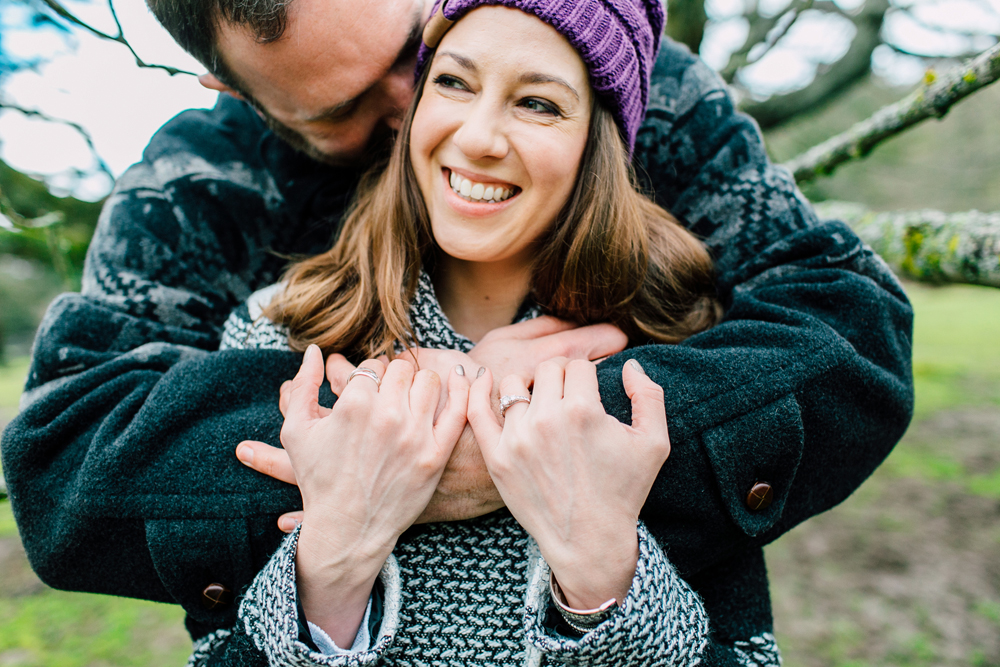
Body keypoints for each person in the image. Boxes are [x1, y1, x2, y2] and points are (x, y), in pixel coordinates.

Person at [0, 0, 913, 653]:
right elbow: (66, 460)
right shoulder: (198, 187)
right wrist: (385, 448)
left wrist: (559, 427)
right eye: (343, 108)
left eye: (415, 50)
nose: (422, 114)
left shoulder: (623, 63)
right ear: (234, 90)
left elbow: (849, 326)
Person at [196, 3, 771, 663]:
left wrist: (600, 568)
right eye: (453, 82)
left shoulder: (673, 345)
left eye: (538, 104)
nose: (477, 137)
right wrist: (335, 561)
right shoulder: (281, 332)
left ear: (598, 143)